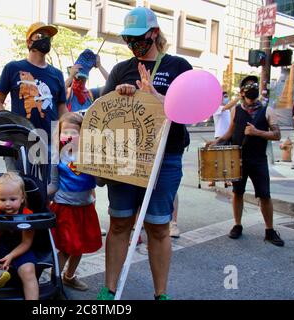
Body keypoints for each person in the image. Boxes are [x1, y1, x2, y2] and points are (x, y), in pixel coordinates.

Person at [96, 7, 192, 301]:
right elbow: (105, 113)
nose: (133, 43)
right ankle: (109, 290)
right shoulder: (120, 69)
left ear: (154, 33)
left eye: (138, 37)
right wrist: (120, 94)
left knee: (159, 227)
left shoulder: (178, 66)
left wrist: (157, 97)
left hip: (165, 159)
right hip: (124, 158)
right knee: (120, 222)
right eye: (128, 38)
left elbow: (189, 111)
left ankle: (160, 294)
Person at [207, 75, 284, 247]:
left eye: (254, 85)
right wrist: (217, 141)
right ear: (242, 92)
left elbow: (277, 135)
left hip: (258, 160)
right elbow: (229, 132)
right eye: (248, 86)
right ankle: (237, 225)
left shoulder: (267, 110)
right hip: (238, 158)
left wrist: (258, 132)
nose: (252, 87)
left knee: (264, 195)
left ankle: (270, 230)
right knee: (237, 192)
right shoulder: (237, 110)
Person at [0, 22, 68, 173]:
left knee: (45, 189)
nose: (45, 39)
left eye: (48, 37)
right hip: (19, 141)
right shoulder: (13, 68)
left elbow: (61, 107)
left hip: (48, 141)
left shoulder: (57, 74)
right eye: (40, 35)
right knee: (17, 190)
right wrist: (9, 127)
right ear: (29, 42)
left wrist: (68, 129)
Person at [48, 112, 102, 291]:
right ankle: (54, 281)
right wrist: (39, 197)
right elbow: (53, 185)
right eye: (65, 132)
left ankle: (68, 276)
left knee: (79, 247)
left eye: (75, 132)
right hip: (64, 208)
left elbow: (100, 182)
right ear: (59, 134)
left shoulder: (90, 155)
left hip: (85, 208)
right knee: (65, 248)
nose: (69, 136)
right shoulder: (57, 156)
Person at [0, 172, 39, 299]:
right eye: (2, 200)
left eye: (12, 199)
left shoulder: (28, 215)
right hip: (0, 248)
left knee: (29, 272)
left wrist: (11, 256)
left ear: (22, 199)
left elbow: (26, 243)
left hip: (21, 250)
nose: (7, 204)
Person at [208, 92, 232, 187]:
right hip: (219, 137)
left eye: (226, 96)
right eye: (224, 97)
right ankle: (212, 179)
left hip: (228, 136)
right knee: (217, 159)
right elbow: (228, 106)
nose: (225, 98)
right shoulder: (217, 108)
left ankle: (226, 179)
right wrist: (238, 98)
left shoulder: (228, 111)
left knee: (227, 159)